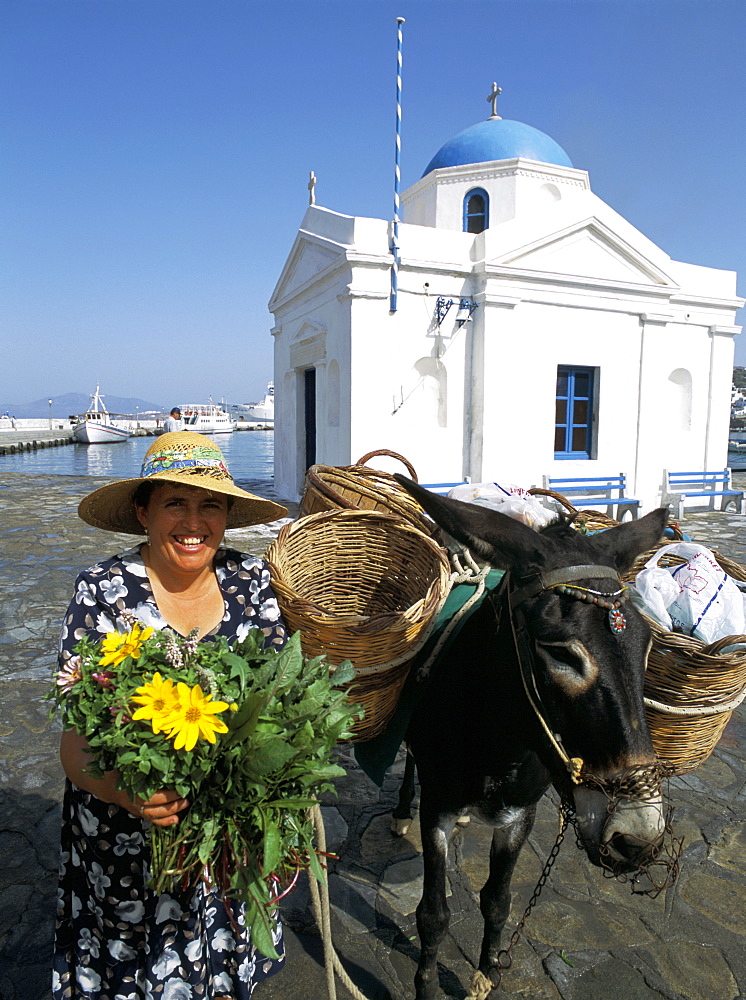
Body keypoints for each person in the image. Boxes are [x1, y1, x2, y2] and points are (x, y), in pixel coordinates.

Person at [53, 431, 289, 1000]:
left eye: (211, 504)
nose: (194, 521)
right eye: (175, 503)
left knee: (216, 970)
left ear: (228, 514)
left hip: (220, 849)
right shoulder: (104, 591)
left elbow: (275, 710)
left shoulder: (252, 583)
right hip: (123, 846)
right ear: (144, 512)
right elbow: (73, 742)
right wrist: (124, 793)